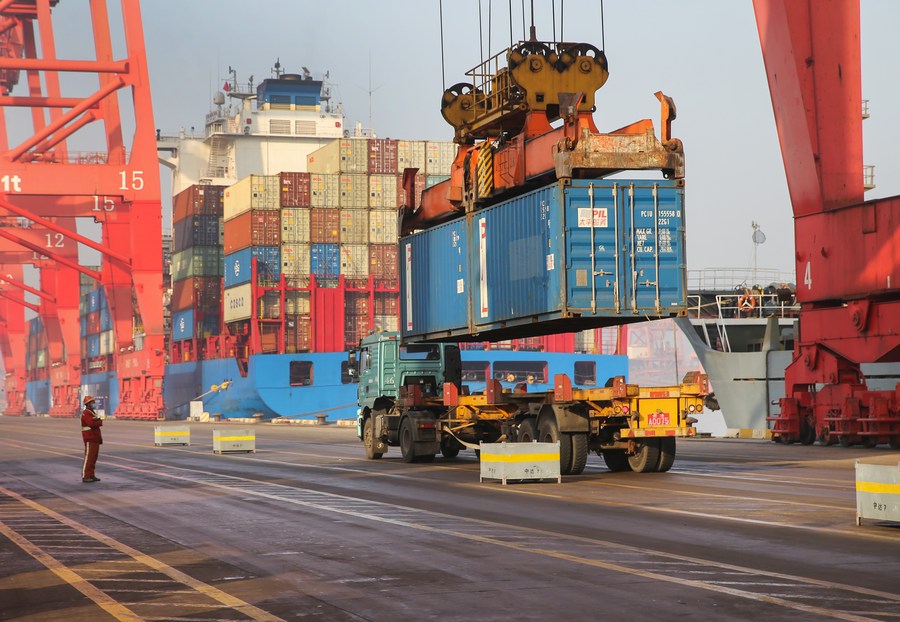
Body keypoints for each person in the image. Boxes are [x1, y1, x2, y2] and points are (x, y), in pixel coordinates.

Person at [81, 396, 103, 483]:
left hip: (94, 438)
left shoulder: (91, 412)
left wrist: (98, 421)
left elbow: (96, 422)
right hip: (90, 438)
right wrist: (99, 421)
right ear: (88, 404)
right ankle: (85, 476)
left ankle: (91, 475)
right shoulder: (86, 413)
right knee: (89, 458)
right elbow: (92, 423)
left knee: (93, 458)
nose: (93, 404)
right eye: (92, 402)